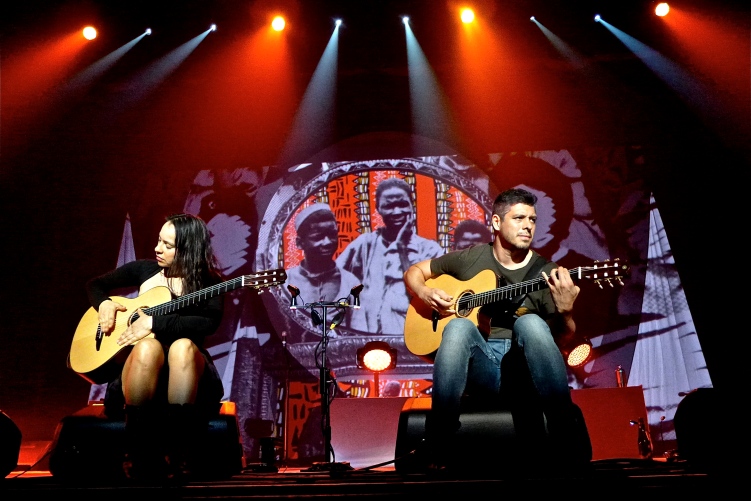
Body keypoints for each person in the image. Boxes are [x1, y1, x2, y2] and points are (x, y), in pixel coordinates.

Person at [403, 188, 592, 474]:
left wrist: (566, 312)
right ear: (495, 223)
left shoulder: (545, 271)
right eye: (518, 218)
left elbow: (564, 339)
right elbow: (414, 271)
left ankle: (564, 431)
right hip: (482, 368)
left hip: (523, 372)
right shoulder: (471, 258)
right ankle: (439, 439)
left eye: (532, 219)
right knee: (457, 325)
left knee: (530, 322)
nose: (528, 225)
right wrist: (424, 291)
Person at [85, 213, 225, 483]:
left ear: (188, 248)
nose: (157, 248)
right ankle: (138, 452)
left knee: (182, 346)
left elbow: (208, 324)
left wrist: (156, 322)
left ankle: (179, 452)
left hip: (189, 372)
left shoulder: (210, 282)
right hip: (142, 371)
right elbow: (95, 284)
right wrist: (104, 304)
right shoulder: (144, 270)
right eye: (159, 241)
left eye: (168, 245)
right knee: (148, 347)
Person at [336, 177, 444, 335]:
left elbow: (426, 297)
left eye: (402, 204)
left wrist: (401, 248)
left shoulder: (430, 250)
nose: (397, 212)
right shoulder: (364, 244)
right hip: (364, 335)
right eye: (389, 206)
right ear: (378, 209)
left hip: (410, 335)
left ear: (411, 205)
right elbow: (336, 279)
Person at [283, 203, 362, 336]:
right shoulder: (285, 282)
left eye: (332, 235)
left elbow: (358, 333)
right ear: (299, 243)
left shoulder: (350, 282)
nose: (327, 242)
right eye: (318, 237)